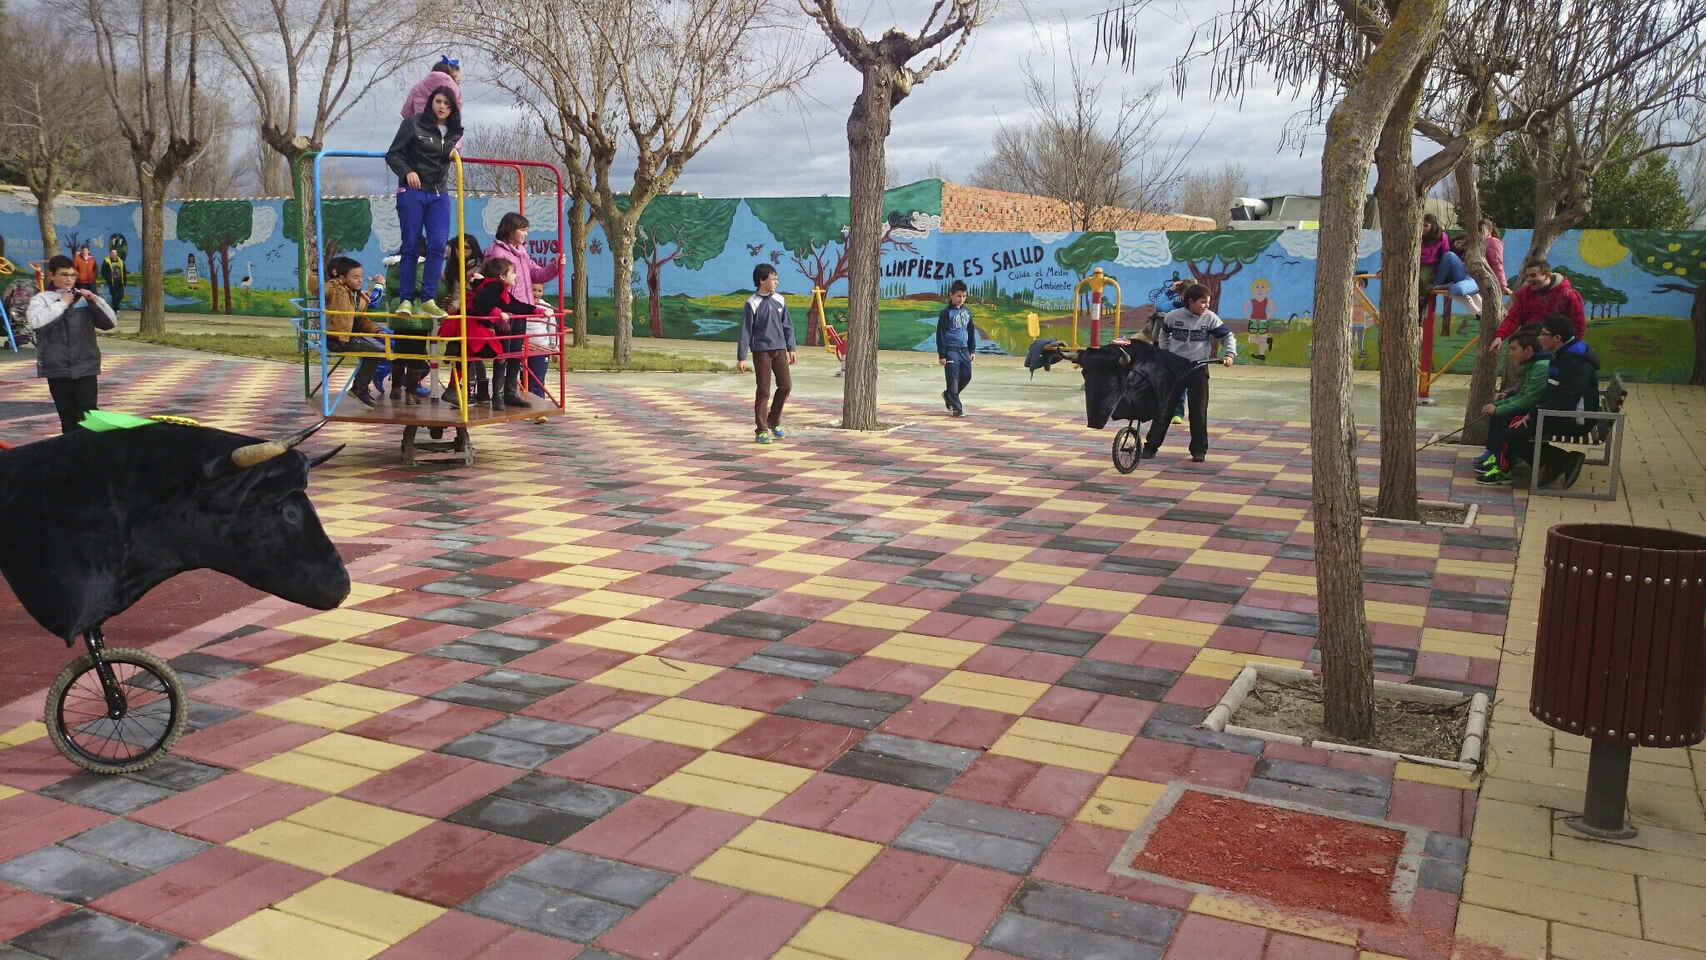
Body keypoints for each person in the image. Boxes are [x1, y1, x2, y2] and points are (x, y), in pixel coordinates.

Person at [1495, 314, 1600, 488]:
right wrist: (1532, 413)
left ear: (1557, 338)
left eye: (1543, 334)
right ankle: (1553, 464)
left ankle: (1563, 460)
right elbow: (1551, 391)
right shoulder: (1562, 354)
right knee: (1515, 423)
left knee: (1512, 434)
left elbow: (1566, 399)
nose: (1539, 338)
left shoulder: (1575, 362)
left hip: (1576, 419)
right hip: (1563, 411)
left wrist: (1533, 415)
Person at [384, 86, 461, 320]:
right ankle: (406, 299)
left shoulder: (454, 131)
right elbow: (393, 154)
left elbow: (449, 153)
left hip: (438, 193)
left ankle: (428, 299)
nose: (442, 107)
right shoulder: (413, 124)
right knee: (411, 244)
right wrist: (407, 171)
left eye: (447, 104)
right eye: (438, 101)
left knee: (438, 244)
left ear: (453, 108)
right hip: (413, 190)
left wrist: (454, 151)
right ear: (430, 102)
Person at [1142, 282, 1237, 462]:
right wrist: (1165, 354)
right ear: (1190, 301)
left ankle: (1198, 450)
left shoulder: (1210, 318)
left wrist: (1230, 354)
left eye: (1207, 302)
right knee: (1164, 410)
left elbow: (1227, 336)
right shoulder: (1173, 316)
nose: (1206, 306)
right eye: (1202, 302)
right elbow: (1164, 335)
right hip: (1174, 371)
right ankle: (1150, 447)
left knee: (1198, 412)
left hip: (1198, 369)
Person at [26, 255, 116, 433]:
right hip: (57, 367)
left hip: (86, 365)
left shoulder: (83, 298)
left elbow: (110, 323)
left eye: (72, 275)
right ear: (51, 275)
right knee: (68, 417)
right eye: (64, 275)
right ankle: (71, 450)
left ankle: (91, 449)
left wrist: (95, 300)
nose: (69, 279)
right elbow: (36, 322)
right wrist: (62, 304)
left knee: (89, 415)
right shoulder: (42, 299)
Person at [483, 212, 564, 409]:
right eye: (523, 230)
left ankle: (510, 392)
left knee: (516, 354)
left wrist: (554, 266)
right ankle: (498, 395)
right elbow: (494, 283)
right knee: (503, 354)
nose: (526, 234)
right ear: (511, 230)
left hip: (520, 310)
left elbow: (537, 274)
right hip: (506, 311)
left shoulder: (522, 253)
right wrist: (499, 312)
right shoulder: (498, 253)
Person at [1473, 324, 1550, 485]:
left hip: (1540, 414)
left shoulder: (1541, 367)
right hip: (1534, 410)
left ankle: (1503, 469)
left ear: (1528, 350)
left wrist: (1498, 409)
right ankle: (1494, 455)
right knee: (1499, 411)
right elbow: (1522, 393)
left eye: (1514, 349)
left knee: (1503, 416)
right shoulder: (1533, 364)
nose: (1510, 353)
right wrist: (1501, 401)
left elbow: (1528, 399)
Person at [451, 257, 528, 409]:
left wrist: (536, 309)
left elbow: (506, 302)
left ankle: (498, 393)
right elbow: (483, 303)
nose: (516, 275)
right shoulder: (493, 284)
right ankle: (489, 394)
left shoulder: (496, 285)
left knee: (507, 355)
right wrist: (498, 314)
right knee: (492, 356)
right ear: (502, 276)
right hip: (482, 326)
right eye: (513, 272)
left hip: (493, 322)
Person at [736, 263, 795, 444]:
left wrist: (791, 347)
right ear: (762, 280)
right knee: (763, 390)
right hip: (761, 352)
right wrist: (742, 357)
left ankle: (773, 421)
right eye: (773, 279)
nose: (776, 282)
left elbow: (787, 326)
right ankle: (761, 430)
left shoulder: (780, 300)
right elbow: (745, 331)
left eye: (776, 279)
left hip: (780, 350)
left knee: (786, 386)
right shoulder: (752, 303)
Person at [323, 256, 386, 408]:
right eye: (355, 277)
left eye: (361, 277)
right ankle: (359, 389)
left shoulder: (359, 296)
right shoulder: (334, 289)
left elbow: (362, 320)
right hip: (336, 339)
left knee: (381, 348)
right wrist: (315, 271)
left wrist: (377, 331)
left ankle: (361, 387)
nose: (359, 280)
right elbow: (316, 288)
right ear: (342, 278)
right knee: (377, 351)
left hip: (351, 337)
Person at [1489, 258, 1585, 353]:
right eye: (1527, 276)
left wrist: (1570, 348)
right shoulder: (1525, 294)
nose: (1529, 280)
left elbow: (1578, 325)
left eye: (1533, 275)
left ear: (1547, 275)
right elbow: (1514, 317)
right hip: (1530, 346)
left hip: (1556, 348)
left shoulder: (1568, 295)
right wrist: (1500, 336)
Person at [937, 279, 977, 417]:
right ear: (951, 295)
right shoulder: (946, 313)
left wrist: (972, 350)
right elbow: (940, 334)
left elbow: (971, 331)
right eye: (958, 296)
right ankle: (957, 408)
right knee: (953, 379)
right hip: (951, 350)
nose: (961, 299)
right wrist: (942, 355)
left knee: (967, 376)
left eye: (964, 296)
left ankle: (949, 395)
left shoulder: (967, 312)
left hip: (964, 350)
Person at [400, 56, 462, 123]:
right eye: (455, 78)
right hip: (444, 126)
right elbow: (456, 112)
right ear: (450, 74)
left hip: (420, 125)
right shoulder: (454, 89)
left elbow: (406, 113)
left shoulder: (417, 87)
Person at [1418, 214, 1450, 299]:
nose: (1422, 228)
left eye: (1426, 225)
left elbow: (1445, 254)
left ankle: (1422, 298)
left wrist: (1438, 271)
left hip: (1431, 265)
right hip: (1417, 263)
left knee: (1421, 279)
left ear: (1433, 226)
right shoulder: (1417, 235)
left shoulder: (1441, 236)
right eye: (1421, 225)